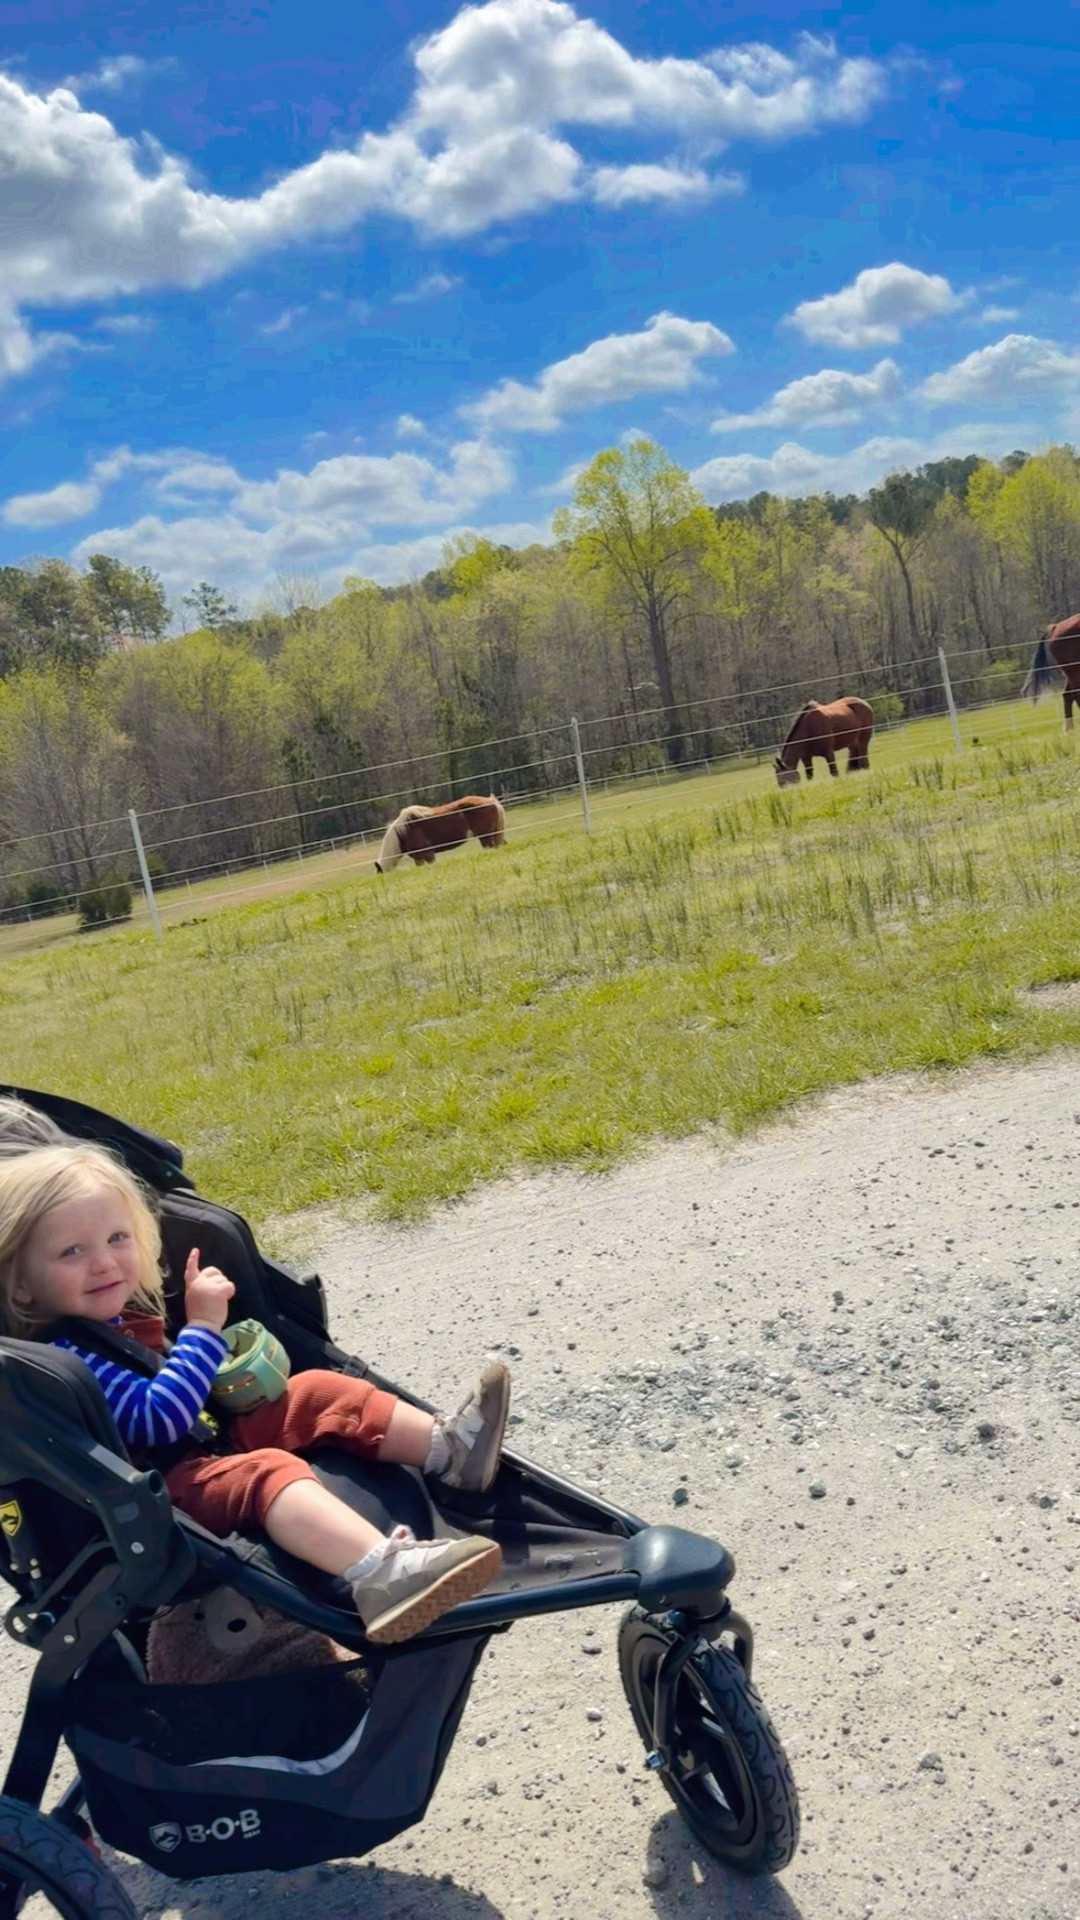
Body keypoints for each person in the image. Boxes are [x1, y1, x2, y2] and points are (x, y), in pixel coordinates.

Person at [0, 1143, 510, 1645]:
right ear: (21, 1285)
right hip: (160, 1501)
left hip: (199, 1445)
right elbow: (161, 1418)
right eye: (72, 1251)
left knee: (310, 1391)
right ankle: (382, 1574)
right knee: (268, 1471)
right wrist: (202, 1327)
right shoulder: (62, 1359)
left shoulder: (110, 1324)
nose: (104, 1262)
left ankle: (448, 1452)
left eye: (117, 1238)